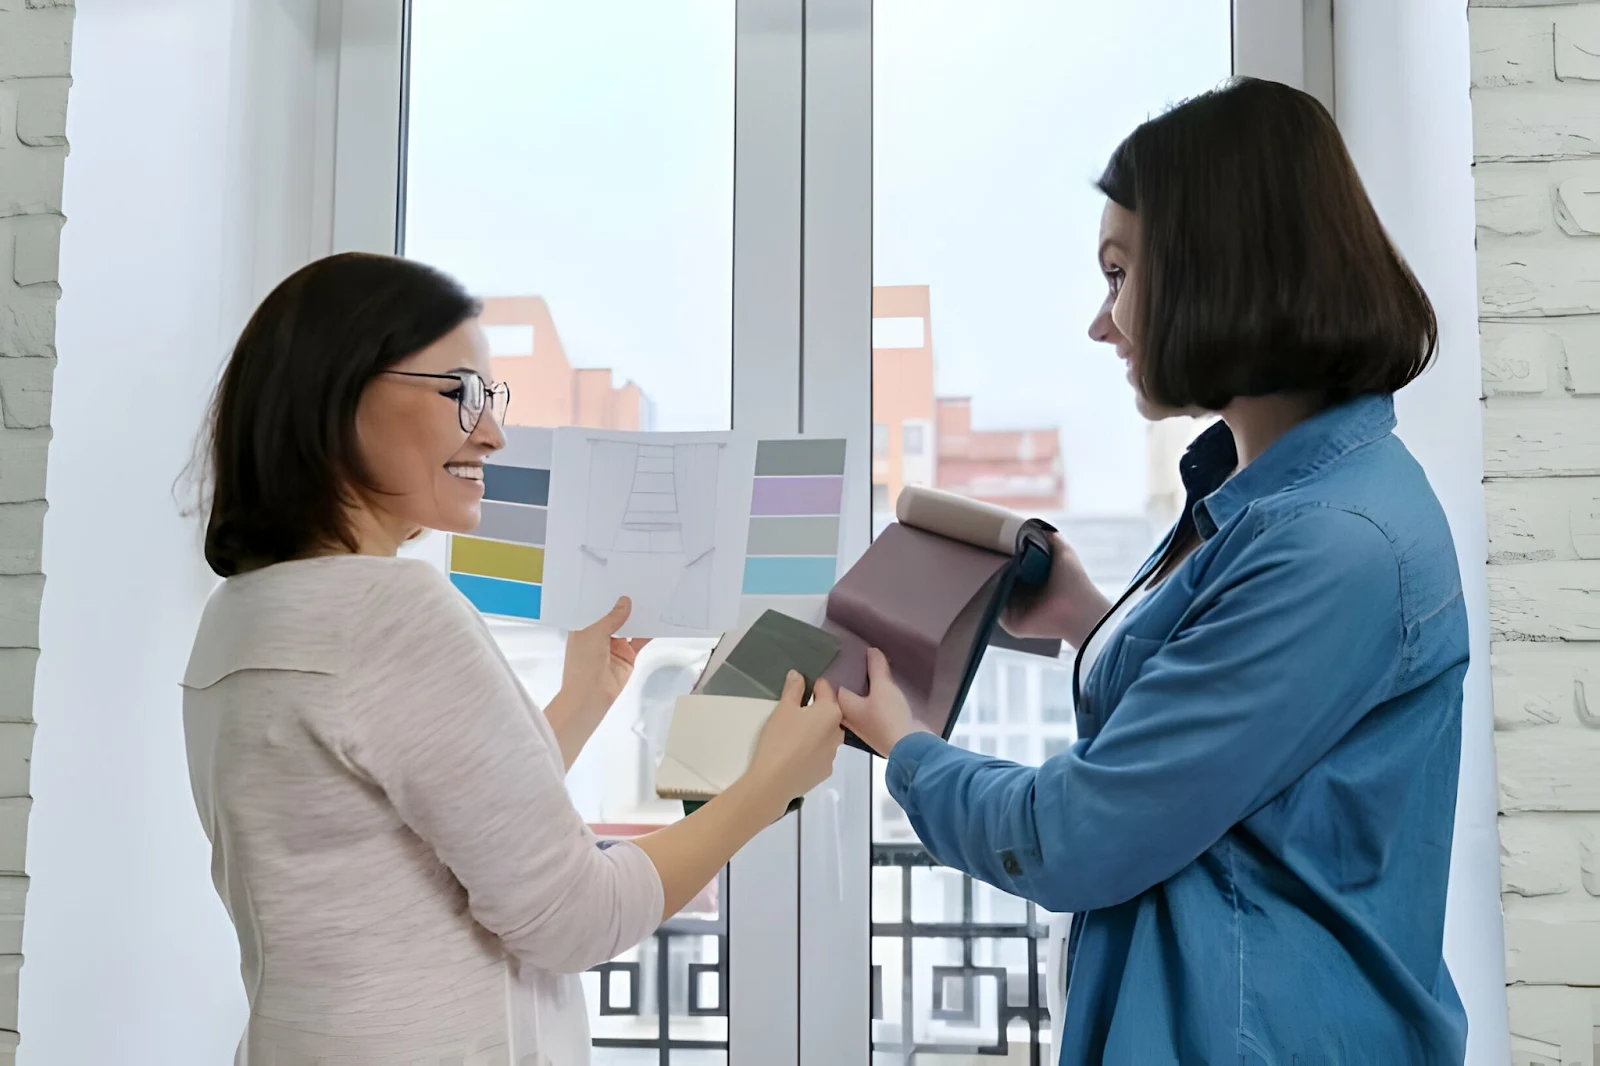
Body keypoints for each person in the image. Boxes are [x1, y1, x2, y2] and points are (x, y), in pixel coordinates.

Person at [839, 78, 1469, 1065]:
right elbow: (1226, 761)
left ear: (1221, 267)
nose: (1103, 321)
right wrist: (1088, 618)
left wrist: (907, 748)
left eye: (1120, 273)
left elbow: (1077, 832)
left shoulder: (1329, 544)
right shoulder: (1272, 502)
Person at [181, 252, 845, 1066]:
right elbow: (576, 917)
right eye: (460, 392)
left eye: (489, 398)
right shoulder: (396, 609)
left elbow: (416, 827)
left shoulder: (245, 613)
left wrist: (582, 701)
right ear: (339, 395)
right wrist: (765, 784)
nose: (491, 430)